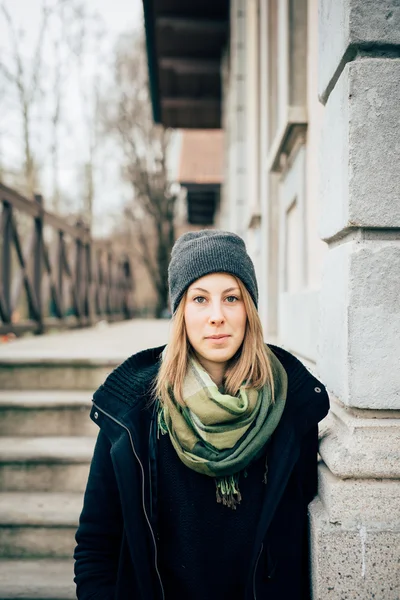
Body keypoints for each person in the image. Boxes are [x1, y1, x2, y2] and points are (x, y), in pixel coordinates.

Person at [74, 229, 330, 600]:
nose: (217, 317)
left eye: (231, 298)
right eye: (199, 299)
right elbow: (97, 546)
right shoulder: (133, 413)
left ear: (250, 309)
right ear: (180, 312)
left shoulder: (289, 405)